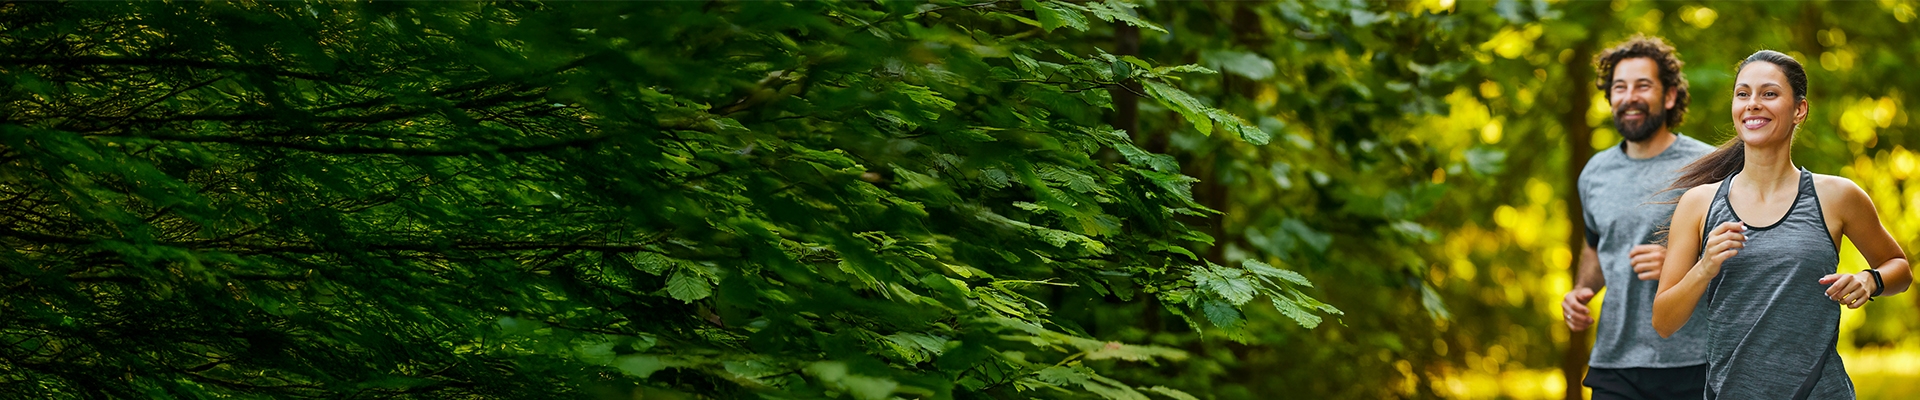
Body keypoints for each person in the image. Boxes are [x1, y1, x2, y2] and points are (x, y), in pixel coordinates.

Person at [1651, 50, 1913, 399]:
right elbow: (1664, 322)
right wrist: (1705, 267)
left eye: (1769, 94)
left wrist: (1870, 280)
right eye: (1743, 94)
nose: (1753, 104)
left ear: (1799, 110)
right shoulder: (1699, 204)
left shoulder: (1837, 196)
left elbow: (1900, 269)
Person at [1560, 35, 1717, 400]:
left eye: (1643, 85)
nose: (1630, 96)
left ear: (1670, 96)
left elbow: (1750, 257)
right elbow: (1597, 246)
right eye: (1619, 87)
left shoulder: (1709, 168)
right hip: (1615, 363)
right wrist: (1581, 291)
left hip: (1696, 363)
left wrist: (1681, 264)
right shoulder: (1595, 172)